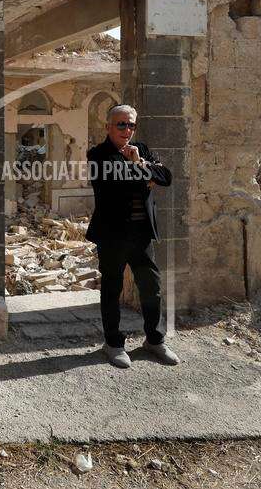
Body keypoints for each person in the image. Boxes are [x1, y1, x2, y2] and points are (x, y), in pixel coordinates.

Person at [85, 104, 179, 369]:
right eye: (121, 124)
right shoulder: (97, 155)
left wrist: (139, 164)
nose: (127, 130)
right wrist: (146, 176)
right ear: (108, 127)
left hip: (141, 235)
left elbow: (167, 177)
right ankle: (113, 344)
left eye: (131, 125)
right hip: (112, 235)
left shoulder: (143, 150)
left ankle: (155, 340)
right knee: (112, 289)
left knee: (151, 287)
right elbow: (115, 188)